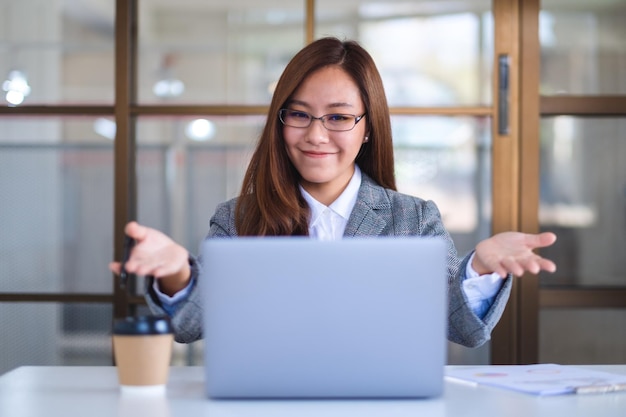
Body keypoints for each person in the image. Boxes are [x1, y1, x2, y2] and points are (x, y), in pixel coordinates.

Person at [109, 37, 556, 348]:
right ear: (279, 120)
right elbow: (194, 322)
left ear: (367, 129)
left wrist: (479, 267)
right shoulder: (239, 218)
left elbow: (459, 326)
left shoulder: (414, 219)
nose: (316, 135)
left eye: (339, 118)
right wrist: (175, 275)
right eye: (299, 115)